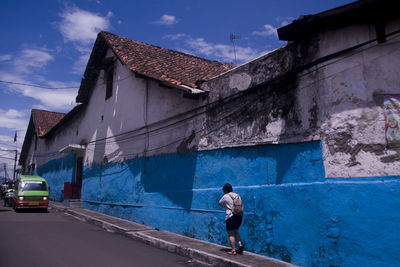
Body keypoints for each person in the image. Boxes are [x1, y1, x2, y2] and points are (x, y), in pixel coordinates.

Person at [218, 183, 244, 255]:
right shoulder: (237, 195)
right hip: (239, 216)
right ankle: (240, 244)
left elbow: (219, 203)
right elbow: (241, 206)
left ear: (225, 190)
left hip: (230, 216)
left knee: (230, 234)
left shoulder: (225, 196)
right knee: (235, 231)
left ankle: (233, 250)